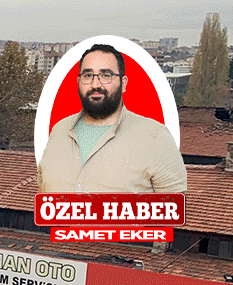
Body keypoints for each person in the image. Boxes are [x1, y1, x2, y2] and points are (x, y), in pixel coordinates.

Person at [37, 43, 186, 193]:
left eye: (106, 75)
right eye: (88, 75)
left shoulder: (156, 137)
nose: (95, 84)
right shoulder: (58, 131)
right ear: (78, 82)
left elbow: (175, 211)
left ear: (123, 83)